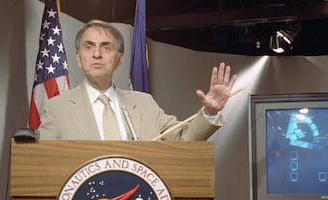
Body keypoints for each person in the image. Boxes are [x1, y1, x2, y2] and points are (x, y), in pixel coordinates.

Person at [38, 19, 237, 141]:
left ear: (119, 59)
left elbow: (183, 139)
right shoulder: (58, 109)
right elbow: (42, 163)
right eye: (89, 47)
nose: (97, 54)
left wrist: (209, 112)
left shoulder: (144, 104)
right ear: (78, 58)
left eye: (106, 47)